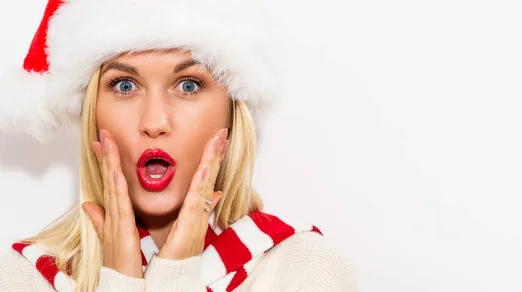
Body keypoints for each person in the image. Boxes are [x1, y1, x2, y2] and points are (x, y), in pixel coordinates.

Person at [0, 0, 355, 291]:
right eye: (124, 85)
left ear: (231, 114)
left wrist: (173, 273)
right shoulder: (24, 279)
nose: (155, 122)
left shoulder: (302, 269)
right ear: (92, 114)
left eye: (188, 85)